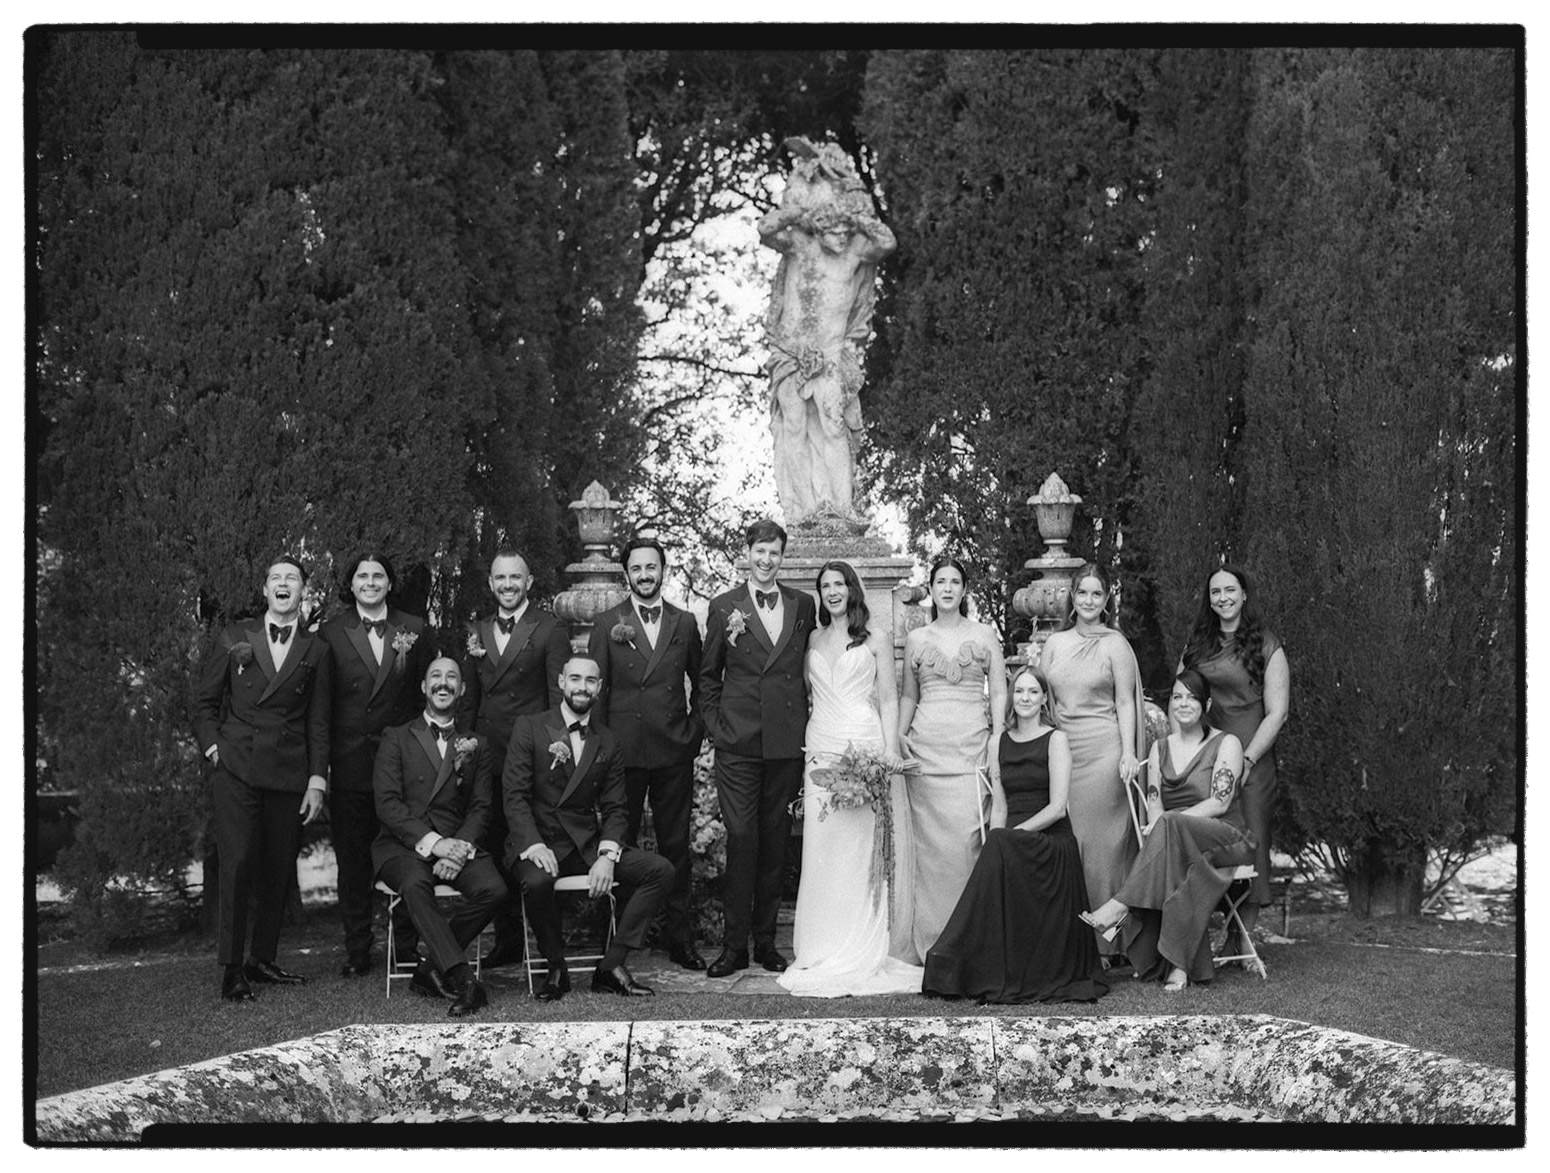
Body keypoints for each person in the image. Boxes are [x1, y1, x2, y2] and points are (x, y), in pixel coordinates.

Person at [778, 560, 923, 997]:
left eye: (839, 584)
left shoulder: (875, 637)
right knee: (823, 848)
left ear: (851, 589)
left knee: (861, 848)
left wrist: (889, 749)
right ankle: (821, 945)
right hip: (820, 743)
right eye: (824, 586)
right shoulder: (812, 638)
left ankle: (862, 942)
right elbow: (806, 695)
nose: (832, 591)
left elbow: (889, 698)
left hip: (863, 742)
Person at [923, 667, 1109, 1004]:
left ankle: (950, 953)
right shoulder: (997, 742)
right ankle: (962, 963)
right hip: (1012, 843)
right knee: (995, 847)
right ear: (1011, 697)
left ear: (1044, 699)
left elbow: (1058, 808)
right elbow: (1000, 807)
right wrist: (998, 847)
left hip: (1051, 842)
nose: (1025, 698)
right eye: (1019, 691)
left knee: (999, 842)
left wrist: (1009, 837)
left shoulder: (1056, 740)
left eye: (1033, 692)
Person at [193, 556, 331, 1002]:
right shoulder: (235, 636)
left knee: (278, 867)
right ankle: (232, 968)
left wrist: (317, 780)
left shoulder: (316, 649)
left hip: (289, 771)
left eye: (292, 578)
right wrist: (214, 748)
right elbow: (204, 702)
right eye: (276, 578)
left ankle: (262, 959)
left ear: (302, 590)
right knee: (236, 865)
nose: (284, 584)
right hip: (237, 768)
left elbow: (318, 721)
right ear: (265, 589)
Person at [503, 656, 675, 1001]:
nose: (582, 687)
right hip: (539, 842)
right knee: (536, 881)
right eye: (575, 679)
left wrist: (607, 856)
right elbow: (515, 795)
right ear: (561, 682)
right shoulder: (530, 727)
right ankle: (556, 968)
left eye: (590, 681)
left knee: (660, 870)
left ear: (599, 688)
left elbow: (616, 807)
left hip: (584, 845)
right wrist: (533, 845)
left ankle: (611, 965)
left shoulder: (607, 740)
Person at [1080, 669, 1254, 992]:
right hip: (1177, 843)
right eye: (1177, 697)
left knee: (1170, 826)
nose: (1183, 704)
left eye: (1192, 698)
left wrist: (1169, 822)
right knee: (1172, 847)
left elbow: (1219, 803)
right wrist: (1165, 823)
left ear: (1207, 704)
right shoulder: (1159, 748)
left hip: (1226, 838)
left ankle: (1121, 905)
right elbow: (1154, 804)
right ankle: (1178, 966)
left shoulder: (1226, 743)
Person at [699, 519, 816, 977]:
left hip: (785, 744)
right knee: (742, 838)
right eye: (760, 552)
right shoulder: (723, 606)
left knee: (775, 843)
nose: (767, 561)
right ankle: (734, 948)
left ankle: (766, 943)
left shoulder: (802, 604)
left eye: (775, 553)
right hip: (739, 745)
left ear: (783, 557)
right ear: (747, 553)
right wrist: (717, 729)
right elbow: (708, 677)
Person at [758, 137, 896, 525]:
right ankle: (801, 512)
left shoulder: (854, 252)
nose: (840, 236)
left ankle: (843, 507)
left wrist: (855, 216)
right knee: (794, 427)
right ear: (818, 229)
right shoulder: (801, 246)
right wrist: (799, 210)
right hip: (791, 351)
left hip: (832, 353)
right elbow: (765, 228)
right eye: (833, 229)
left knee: (835, 426)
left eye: (844, 230)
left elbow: (887, 241)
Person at [586, 535, 707, 971]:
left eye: (650, 567)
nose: (644, 575)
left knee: (676, 847)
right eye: (636, 568)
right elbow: (597, 693)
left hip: (673, 750)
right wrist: (602, 750)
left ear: (663, 570)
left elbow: (704, 682)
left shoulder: (685, 622)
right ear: (626, 574)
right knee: (618, 845)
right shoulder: (607, 623)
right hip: (624, 754)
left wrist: (693, 732)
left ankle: (680, 940)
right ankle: (618, 942)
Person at [318, 551, 431, 977]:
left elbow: (425, 699)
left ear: (389, 583)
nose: (370, 582)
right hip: (350, 764)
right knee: (353, 862)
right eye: (362, 575)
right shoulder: (330, 633)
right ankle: (357, 949)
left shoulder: (415, 629)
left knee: (407, 855)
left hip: (403, 766)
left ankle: (406, 946)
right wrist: (322, 770)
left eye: (378, 575)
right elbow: (322, 708)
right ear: (351, 585)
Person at [372, 655, 505, 1017]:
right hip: (404, 846)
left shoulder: (476, 743)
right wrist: (435, 844)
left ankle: (430, 968)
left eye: (451, 677)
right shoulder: (396, 737)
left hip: (457, 843)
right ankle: (463, 979)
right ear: (423, 687)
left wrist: (458, 849)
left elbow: (481, 807)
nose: (443, 683)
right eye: (435, 676)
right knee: (415, 884)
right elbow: (387, 804)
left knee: (494, 889)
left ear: (461, 689)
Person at [460, 547, 571, 968]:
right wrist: (463, 749)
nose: (508, 585)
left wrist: (557, 751)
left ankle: (548, 946)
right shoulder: (477, 630)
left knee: (533, 846)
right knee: (493, 845)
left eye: (515, 577)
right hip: (487, 757)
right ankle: (507, 942)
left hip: (531, 758)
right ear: (491, 583)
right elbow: (469, 700)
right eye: (501, 578)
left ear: (529, 582)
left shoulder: (549, 628)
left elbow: (558, 698)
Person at [897, 556, 1006, 960]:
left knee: (966, 846)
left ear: (964, 590)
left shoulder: (984, 634)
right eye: (940, 581)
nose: (947, 588)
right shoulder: (916, 638)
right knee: (930, 854)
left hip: (970, 748)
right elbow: (909, 695)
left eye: (954, 581)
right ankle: (931, 944)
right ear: (931, 588)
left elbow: (999, 691)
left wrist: (997, 737)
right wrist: (900, 735)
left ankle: (970, 942)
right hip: (926, 753)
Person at [1180, 564, 1290, 956]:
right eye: (1215, 592)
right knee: (1210, 836)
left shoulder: (1267, 644)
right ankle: (1206, 926)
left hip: (1252, 755)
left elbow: (1277, 713)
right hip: (1208, 754)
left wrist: (1248, 758)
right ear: (1208, 599)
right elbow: (1181, 695)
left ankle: (1242, 935)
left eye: (1230, 590)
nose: (1223, 598)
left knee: (1251, 839)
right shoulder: (1198, 644)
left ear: (1244, 594)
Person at [1040, 561, 1145, 964]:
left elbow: (1125, 702)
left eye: (1096, 593)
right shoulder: (1055, 644)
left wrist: (1129, 752)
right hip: (1064, 752)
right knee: (1070, 844)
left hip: (1104, 752)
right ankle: (1073, 940)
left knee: (1102, 848)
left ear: (1106, 599)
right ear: (1072, 596)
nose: (1088, 600)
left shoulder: (1115, 644)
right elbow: (1045, 699)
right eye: (1082, 592)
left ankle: (1106, 944)